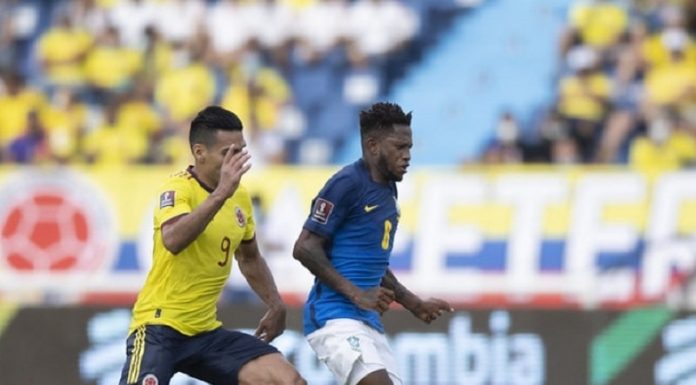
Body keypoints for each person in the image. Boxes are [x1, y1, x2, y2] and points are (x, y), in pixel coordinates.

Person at [119, 106, 305, 385]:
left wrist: (275, 303)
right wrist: (220, 194)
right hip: (159, 326)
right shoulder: (177, 189)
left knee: (286, 381)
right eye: (227, 152)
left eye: (241, 151)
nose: (237, 161)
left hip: (205, 333)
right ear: (199, 152)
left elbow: (250, 258)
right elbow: (173, 239)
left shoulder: (239, 197)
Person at [292, 102, 453, 385]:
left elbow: (374, 264)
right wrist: (356, 294)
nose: (407, 156)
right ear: (373, 145)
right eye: (399, 147)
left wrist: (413, 303)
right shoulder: (346, 184)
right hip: (333, 317)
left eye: (410, 148)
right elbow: (304, 247)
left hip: (366, 321)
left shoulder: (388, 190)